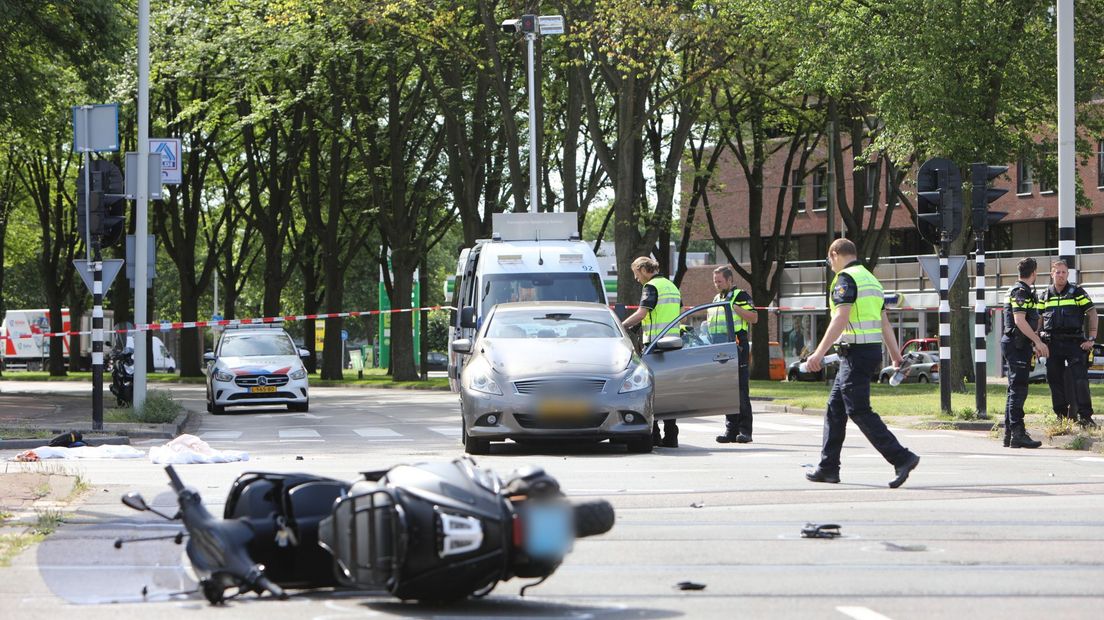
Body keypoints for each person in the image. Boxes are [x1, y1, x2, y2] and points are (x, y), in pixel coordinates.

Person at [802, 238, 920, 488]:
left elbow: (841, 319)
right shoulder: (871, 280)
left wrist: (818, 354)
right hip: (867, 353)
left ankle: (902, 457)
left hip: (855, 355)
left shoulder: (845, 279)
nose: (830, 265)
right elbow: (884, 323)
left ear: (835, 254)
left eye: (828, 259)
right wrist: (897, 357)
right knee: (835, 410)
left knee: (858, 410)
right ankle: (828, 467)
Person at [622, 256, 682, 448]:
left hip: (655, 344)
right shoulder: (671, 286)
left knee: (650, 390)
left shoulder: (651, 287)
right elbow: (666, 312)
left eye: (636, 274)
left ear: (642, 269)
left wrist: (621, 327)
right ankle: (671, 435)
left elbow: (642, 312)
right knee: (670, 390)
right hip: (673, 342)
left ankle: (654, 434)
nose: (636, 278)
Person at [1039, 260, 1097, 428]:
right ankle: (1061, 416)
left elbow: (1092, 314)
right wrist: (1037, 342)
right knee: (1054, 379)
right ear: (1052, 274)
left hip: (1074, 343)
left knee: (1080, 380)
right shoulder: (1044, 295)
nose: (1061, 275)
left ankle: (1085, 417)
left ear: (1068, 274)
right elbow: (1039, 319)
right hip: (1052, 343)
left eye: (1064, 272)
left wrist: (1091, 339)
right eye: (1058, 272)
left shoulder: (1077, 292)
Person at [707, 265, 758, 444]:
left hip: (737, 345)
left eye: (720, 281)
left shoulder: (741, 295)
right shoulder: (715, 298)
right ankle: (731, 430)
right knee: (727, 390)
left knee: (741, 390)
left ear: (730, 280)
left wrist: (734, 307)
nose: (717, 284)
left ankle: (745, 431)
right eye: (715, 281)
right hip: (720, 346)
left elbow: (754, 318)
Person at [1001, 258, 1047, 448]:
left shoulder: (1016, 290)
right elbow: (1020, 320)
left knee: (1014, 389)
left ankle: (1009, 434)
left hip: (1017, 344)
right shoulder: (1021, 292)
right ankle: (1018, 434)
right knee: (1019, 389)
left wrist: (1033, 341)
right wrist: (1037, 341)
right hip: (1017, 345)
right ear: (1034, 273)